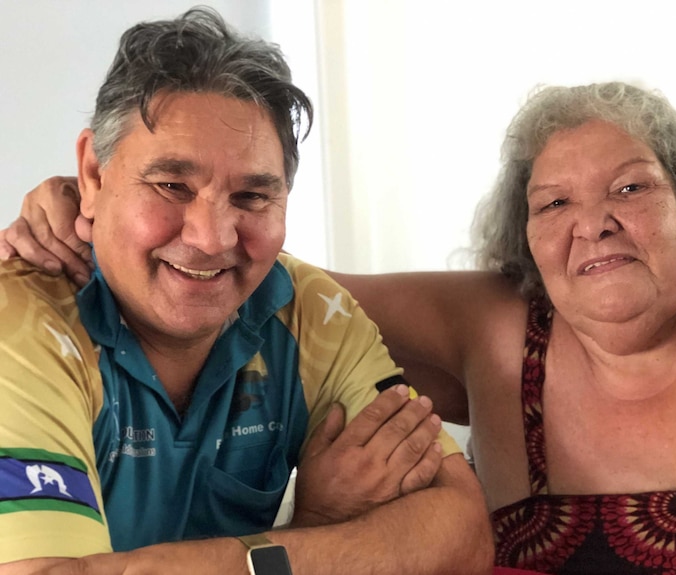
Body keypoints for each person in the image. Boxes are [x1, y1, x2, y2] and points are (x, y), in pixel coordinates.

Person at [5, 81, 676, 574]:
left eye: (632, 187)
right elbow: (227, 265)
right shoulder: (497, 325)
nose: (593, 221)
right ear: (522, 238)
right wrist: (92, 205)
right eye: (553, 201)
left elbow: (453, 536)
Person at [0, 8, 494, 575]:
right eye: (171, 185)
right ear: (91, 176)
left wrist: (281, 552)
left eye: (253, 197)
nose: (211, 239)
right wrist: (316, 532)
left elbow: (462, 534)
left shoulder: (308, 308)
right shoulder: (18, 325)